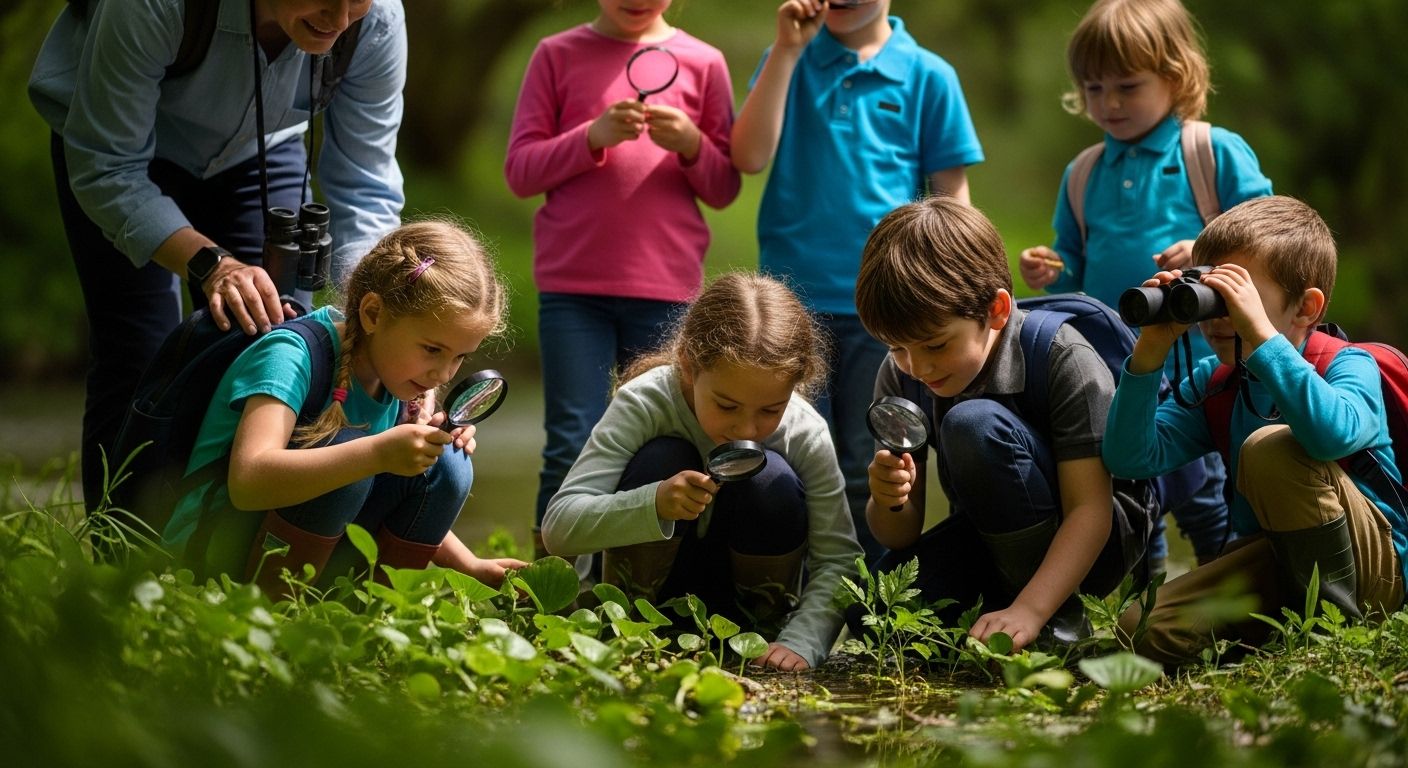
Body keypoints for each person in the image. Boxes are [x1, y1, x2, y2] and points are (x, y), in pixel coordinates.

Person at [29, 0, 408, 513]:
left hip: (258, 153)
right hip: (122, 159)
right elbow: (107, 168)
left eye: (356, 0)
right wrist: (214, 265)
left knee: (287, 352)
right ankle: (124, 568)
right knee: (140, 353)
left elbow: (364, 191)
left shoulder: (378, 21)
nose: (339, 19)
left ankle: (247, 571)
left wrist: (382, 314)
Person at [1017, 0, 1273, 573]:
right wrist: (1053, 269)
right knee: (1133, 490)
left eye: (1127, 87)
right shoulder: (1084, 171)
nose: (1108, 103)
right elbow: (1078, 271)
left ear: (1175, 77)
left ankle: (1227, 597)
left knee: (1209, 495)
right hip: (1116, 368)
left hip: (1205, 365)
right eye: (1093, 88)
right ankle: (1144, 604)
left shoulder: (1209, 152)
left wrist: (1206, 251)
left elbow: (1269, 240)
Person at [731, 0, 983, 563]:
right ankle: (788, 594)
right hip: (790, 306)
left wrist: (956, 281)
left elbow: (951, 199)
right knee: (786, 454)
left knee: (873, 459)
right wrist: (789, 50)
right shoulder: (788, 57)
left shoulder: (929, 75)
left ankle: (872, 600)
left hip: (889, 313)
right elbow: (748, 156)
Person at [1105, 196, 1406, 665]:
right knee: (1138, 632)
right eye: (1209, 296)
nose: (1218, 316)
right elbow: (1131, 458)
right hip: (1271, 561)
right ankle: (1272, 632)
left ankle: (1333, 638)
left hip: (1375, 567)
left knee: (1270, 447)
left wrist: (1262, 338)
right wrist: (1149, 352)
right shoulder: (1216, 381)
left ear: (1305, 307)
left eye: (1236, 298)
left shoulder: (1349, 365)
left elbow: (1330, 435)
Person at [161, 221, 528, 599]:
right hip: (211, 556)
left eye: (460, 357)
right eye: (432, 350)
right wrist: (376, 453)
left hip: (293, 546)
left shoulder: (396, 376)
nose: (444, 373)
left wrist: (469, 565)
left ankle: (370, 610)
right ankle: (272, 613)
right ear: (373, 314)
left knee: (447, 464)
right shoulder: (291, 356)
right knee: (349, 457)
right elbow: (248, 482)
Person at [851, 197, 1147, 652]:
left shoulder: (1062, 356)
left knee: (974, 423)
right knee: (875, 617)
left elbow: (1092, 511)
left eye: (935, 345)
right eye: (896, 348)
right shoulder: (902, 373)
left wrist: (1031, 610)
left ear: (996, 310)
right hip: (989, 533)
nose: (917, 366)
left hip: (1093, 541)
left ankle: (1057, 618)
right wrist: (889, 499)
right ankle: (1011, 609)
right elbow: (900, 533)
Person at [504, 0, 741, 552]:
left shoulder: (704, 62)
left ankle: (657, 575)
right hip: (573, 289)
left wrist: (692, 146)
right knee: (571, 436)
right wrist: (592, 136)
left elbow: (724, 186)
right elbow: (519, 172)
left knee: (670, 436)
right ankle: (554, 574)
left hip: (667, 290)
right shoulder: (556, 55)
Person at [542, 273, 863, 671]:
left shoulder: (805, 430)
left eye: (769, 411)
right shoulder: (645, 402)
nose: (746, 430)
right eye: (727, 406)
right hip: (642, 614)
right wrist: (653, 503)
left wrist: (801, 642)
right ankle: (633, 620)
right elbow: (559, 527)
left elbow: (840, 559)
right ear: (689, 367)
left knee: (769, 478)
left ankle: (762, 622)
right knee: (664, 457)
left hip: (755, 638)